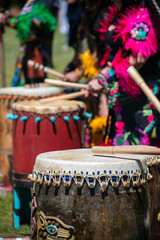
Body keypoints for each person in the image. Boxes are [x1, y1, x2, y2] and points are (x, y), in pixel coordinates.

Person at [86, 0, 160, 146]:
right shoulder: (117, 13)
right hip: (121, 92)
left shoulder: (142, 16)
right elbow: (115, 58)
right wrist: (101, 76)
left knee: (135, 149)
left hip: (141, 93)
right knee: (119, 144)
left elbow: (137, 60)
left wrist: (103, 80)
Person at [7, 0, 59, 86]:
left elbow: (39, 21)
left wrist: (9, 20)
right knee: (29, 81)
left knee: (37, 84)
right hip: (27, 48)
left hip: (38, 50)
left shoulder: (47, 1)